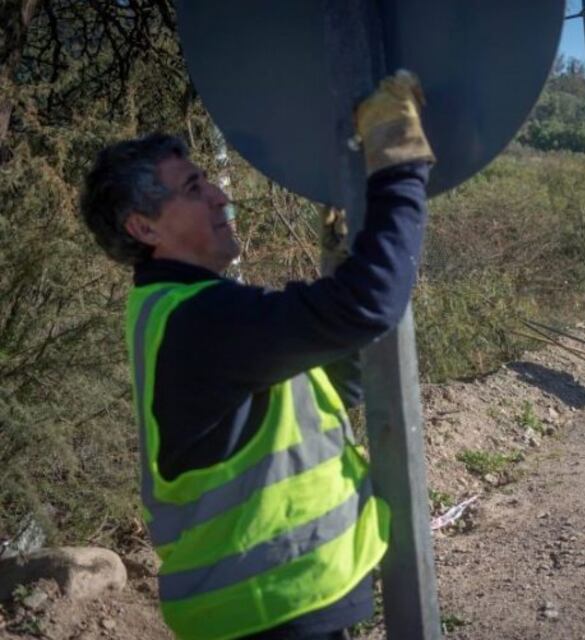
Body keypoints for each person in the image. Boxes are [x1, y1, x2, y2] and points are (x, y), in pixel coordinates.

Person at [79, 71, 435, 640]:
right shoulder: (199, 320)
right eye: (194, 188)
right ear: (144, 226)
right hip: (271, 611)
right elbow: (371, 304)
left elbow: (325, 395)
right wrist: (398, 160)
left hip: (276, 606)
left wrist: (341, 278)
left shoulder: (184, 309)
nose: (220, 193)